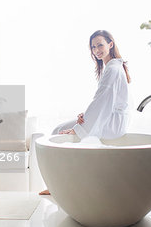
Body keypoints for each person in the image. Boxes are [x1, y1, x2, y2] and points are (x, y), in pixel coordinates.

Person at [39, 30, 131, 195]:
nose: (97, 50)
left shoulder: (113, 69)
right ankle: (59, 186)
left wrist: (78, 128)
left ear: (110, 44)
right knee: (60, 130)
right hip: (110, 118)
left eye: (100, 45)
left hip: (112, 123)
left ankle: (57, 187)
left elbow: (102, 101)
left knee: (58, 133)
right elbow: (103, 101)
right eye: (93, 47)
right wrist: (86, 115)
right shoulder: (111, 67)